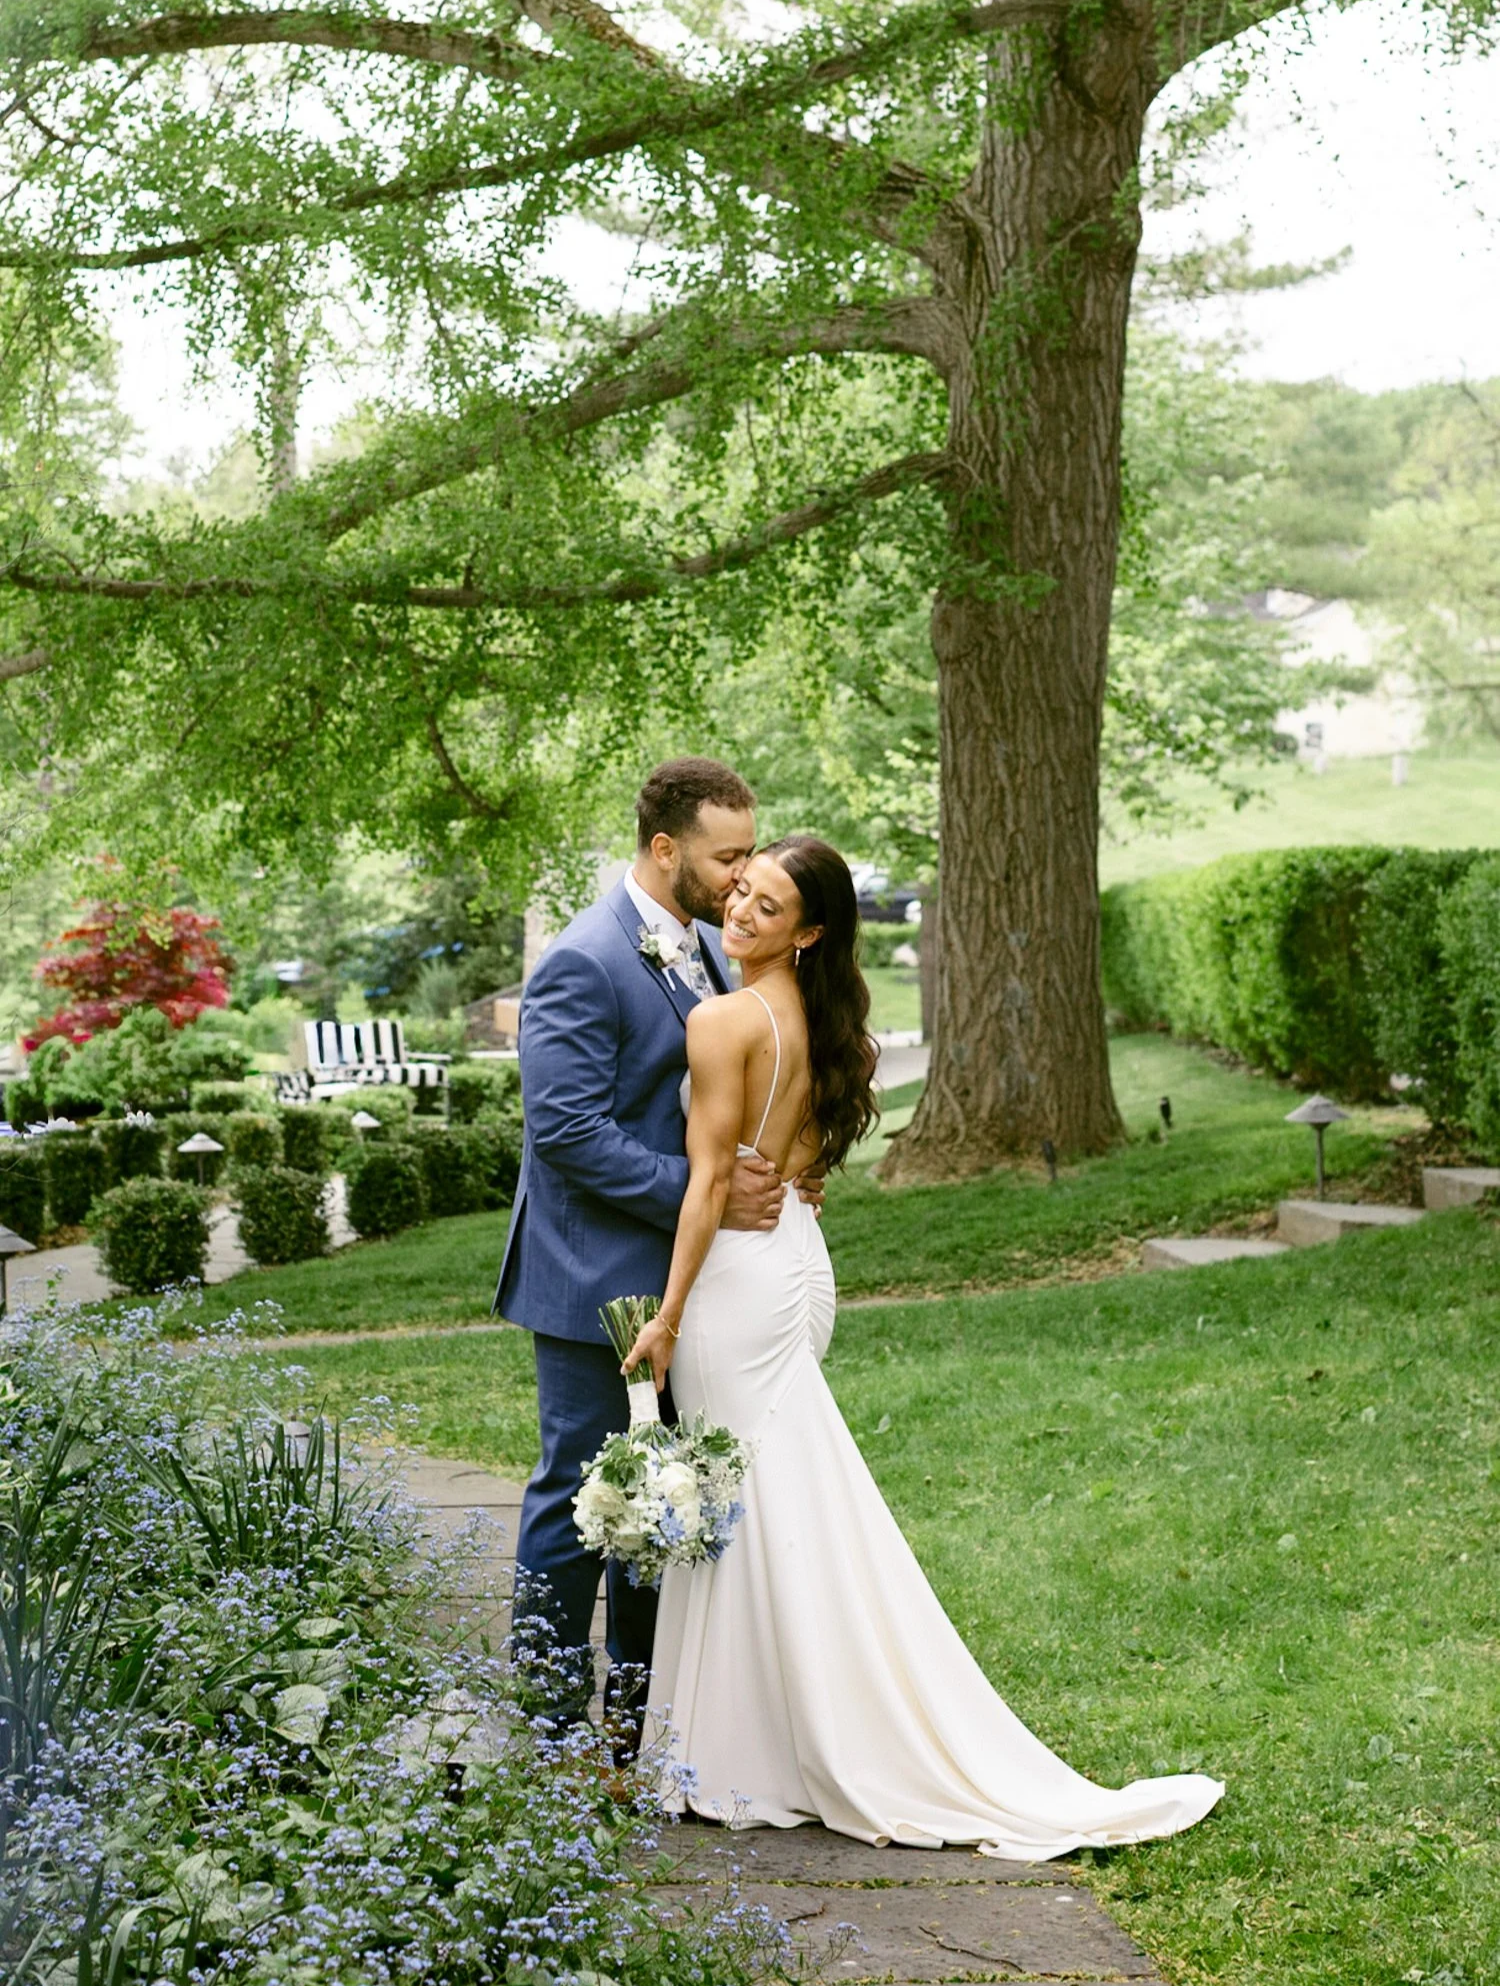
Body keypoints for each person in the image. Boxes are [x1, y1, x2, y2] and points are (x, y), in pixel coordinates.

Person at [624, 835, 1224, 1857]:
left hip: (738, 1280)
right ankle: (757, 1735)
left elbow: (711, 1181)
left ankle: (750, 1749)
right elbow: (801, 1162)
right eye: (743, 891)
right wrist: (793, 1178)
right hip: (798, 1264)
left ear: (808, 932)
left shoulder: (725, 1019)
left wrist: (668, 1314)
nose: (741, 912)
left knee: (747, 1499)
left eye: (769, 908)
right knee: (775, 1498)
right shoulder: (828, 1021)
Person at [494, 757, 814, 1731]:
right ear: (666, 849)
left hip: (678, 1287)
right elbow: (570, 1133)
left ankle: (638, 1713)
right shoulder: (585, 960)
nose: (742, 876)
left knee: (661, 1499)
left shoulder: (705, 948)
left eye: (751, 853)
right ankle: (546, 1720)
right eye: (728, 856)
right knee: (578, 1498)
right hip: (592, 1279)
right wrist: (704, 1197)